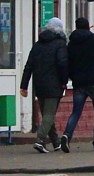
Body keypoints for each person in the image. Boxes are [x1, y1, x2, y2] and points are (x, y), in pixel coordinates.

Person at [63, 17, 94, 152]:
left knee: (76, 112)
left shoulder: (71, 44)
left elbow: (68, 64)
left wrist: (69, 78)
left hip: (79, 83)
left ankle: (67, 135)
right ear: (88, 27)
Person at [19, 17, 68, 153]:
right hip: (54, 85)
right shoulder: (60, 44)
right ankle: (40, 140)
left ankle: (56, 142)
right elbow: (62, 63)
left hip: (39, 85)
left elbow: (29, 66)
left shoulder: (37, 45)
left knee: (46, 114)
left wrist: (24, 85)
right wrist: (64, 81)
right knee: (49, 114)